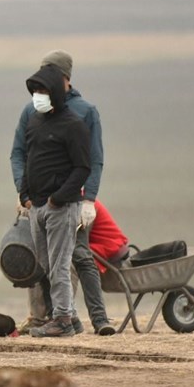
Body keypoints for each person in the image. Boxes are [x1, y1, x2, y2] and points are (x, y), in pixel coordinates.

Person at [10, 50, 114, 335]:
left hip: (70, 199)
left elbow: (93, 159)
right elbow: (20, 153)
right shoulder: (32, 112)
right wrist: (24, 192)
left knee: (81, 257)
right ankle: (64, 318)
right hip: (38, 199)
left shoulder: (85, 112)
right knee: (48, 263)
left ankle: (98, 319)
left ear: (65, 78)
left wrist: (89, 198)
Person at [19, 63, 92, 338]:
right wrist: (25, 195)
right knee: (47, 265)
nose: (38, 95)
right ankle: (70, 317)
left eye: (43, 90)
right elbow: (29, 159)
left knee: (60, 265)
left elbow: (82, 168)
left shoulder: (74, 125)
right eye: (35, 90)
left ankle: (61, 320)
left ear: (55, 93)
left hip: (61, 206)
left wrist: (57, 199)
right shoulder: (34, 122)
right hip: (36, 206)